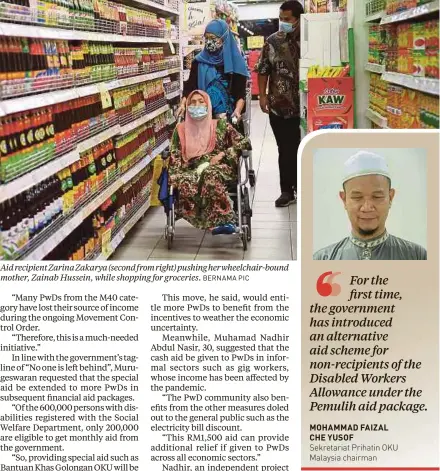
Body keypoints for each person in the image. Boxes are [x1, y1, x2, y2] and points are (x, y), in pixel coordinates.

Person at [313, 151, 427, 260]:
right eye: (357, 197)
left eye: (377, 197)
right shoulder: (322, 259)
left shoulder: (417, 256)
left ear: (390, 197)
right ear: (344, 199)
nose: (367, 207)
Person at [169, 90, 250, 235]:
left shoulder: (221, 125)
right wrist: (173, 177)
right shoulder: (180, 130)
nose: (197, 105)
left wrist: (223, 153)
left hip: (219, 166)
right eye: (192, 103)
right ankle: (211, 221)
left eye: (201, 102)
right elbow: (175, 156)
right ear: (187, 106)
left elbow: (245, 143)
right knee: (186, 181)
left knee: (210, 174)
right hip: (191, 169)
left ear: (208, 105)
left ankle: (225, 221)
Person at [256, 0, 303, 208]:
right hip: (279, 105)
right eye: (281, 19)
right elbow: (263, 69)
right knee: (285, 148)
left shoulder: (311, 39)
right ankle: (287, 190)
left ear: (299, 19)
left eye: (287, 19)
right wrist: (263, 96)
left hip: (307, 105)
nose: (283, 23)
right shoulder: (273, 41)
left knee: (303, 147)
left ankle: (304, 186)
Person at [177, 19, 249, 120]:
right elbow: (190, 87)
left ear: (224, 38)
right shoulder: (198, 61)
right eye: (206, 38)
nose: (209, 42)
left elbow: (240, 93)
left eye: (213, 38)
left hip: (228, 117)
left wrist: (237, 110)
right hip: (202, 116)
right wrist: (182, 104)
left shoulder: (235, 63)